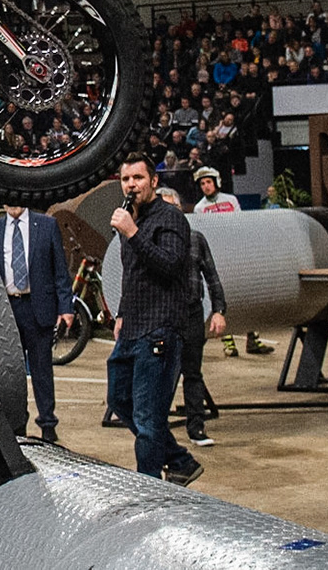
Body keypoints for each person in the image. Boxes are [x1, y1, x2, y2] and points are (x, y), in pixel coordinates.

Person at [105, 154, 203, 485]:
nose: (131, 185)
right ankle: (180, 460)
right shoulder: (128, 220)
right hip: (132, 325)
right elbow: (133, 275)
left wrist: (133, 233)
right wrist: (121, 312)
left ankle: (148, 487)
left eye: (138, 178)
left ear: (154, 181)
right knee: (119, 399)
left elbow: (172, 265)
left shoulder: (171, 218)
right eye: (126, 179)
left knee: (148, 417)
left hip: (160, 328)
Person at [0, 204, 75, 443]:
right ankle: (17, 422)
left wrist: (65, 306)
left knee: (41, 368)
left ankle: (47, 422)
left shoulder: (46, 226)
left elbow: (60, 270)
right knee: (12, 373)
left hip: (38, 307)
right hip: (7, 310)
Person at [161, 186, 228, 447]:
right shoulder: (152, 239)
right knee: (163, 375)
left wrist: (219, 310)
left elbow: (212, 277)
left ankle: (196, 428)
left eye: (173, 207)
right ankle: (159, 430)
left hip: (191, 313)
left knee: (193, 372)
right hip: (164, 315)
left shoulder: (196, 238)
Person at [192, 166, 274, 357]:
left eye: (208, 182)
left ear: (216, 182)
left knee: (247, 295)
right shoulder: (199, 208)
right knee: (223, 298)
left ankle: (253, 340)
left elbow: (240, 225)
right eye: (202, 183)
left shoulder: (231, 200)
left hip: (238, 254)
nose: (206, 186)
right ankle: (228, 343)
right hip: (218, 256)